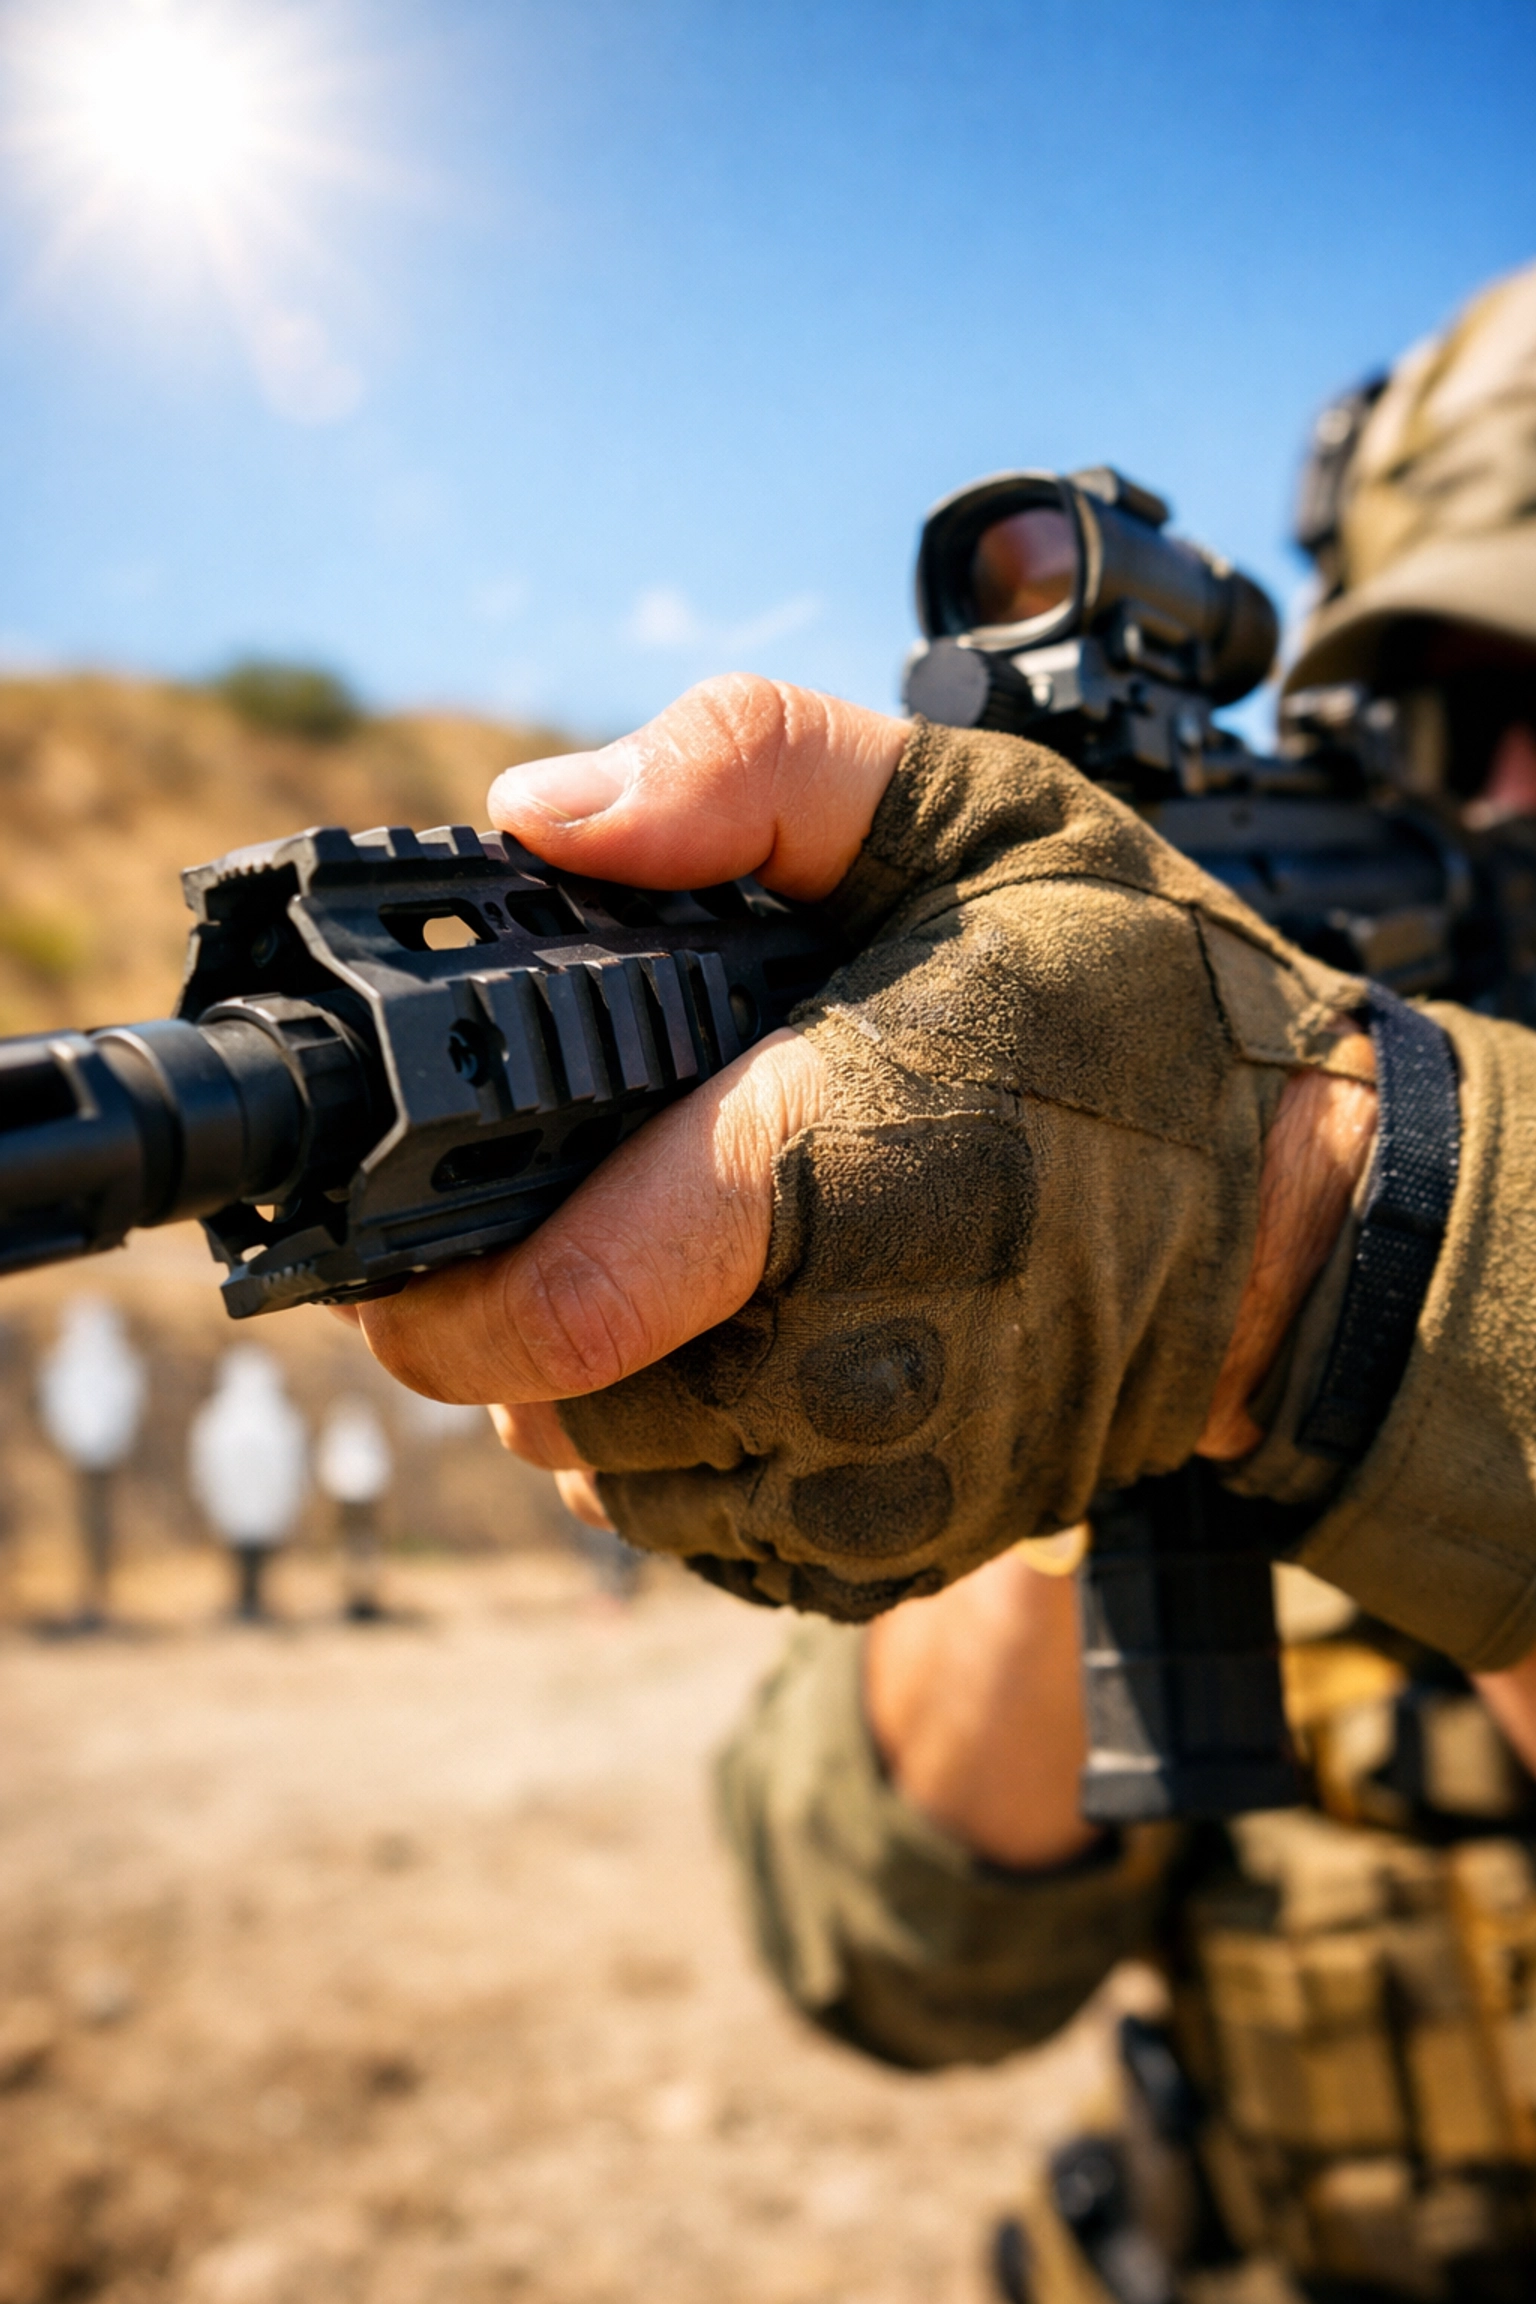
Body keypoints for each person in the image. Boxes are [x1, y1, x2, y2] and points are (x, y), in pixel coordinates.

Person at [353, 264, 1536, 2300]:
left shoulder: (1316, 1172)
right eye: (1486, 717)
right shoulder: (1223, 1057)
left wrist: (1336, 1221)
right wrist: (1118, 1342)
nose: (1526, 799)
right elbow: (886, 1954)